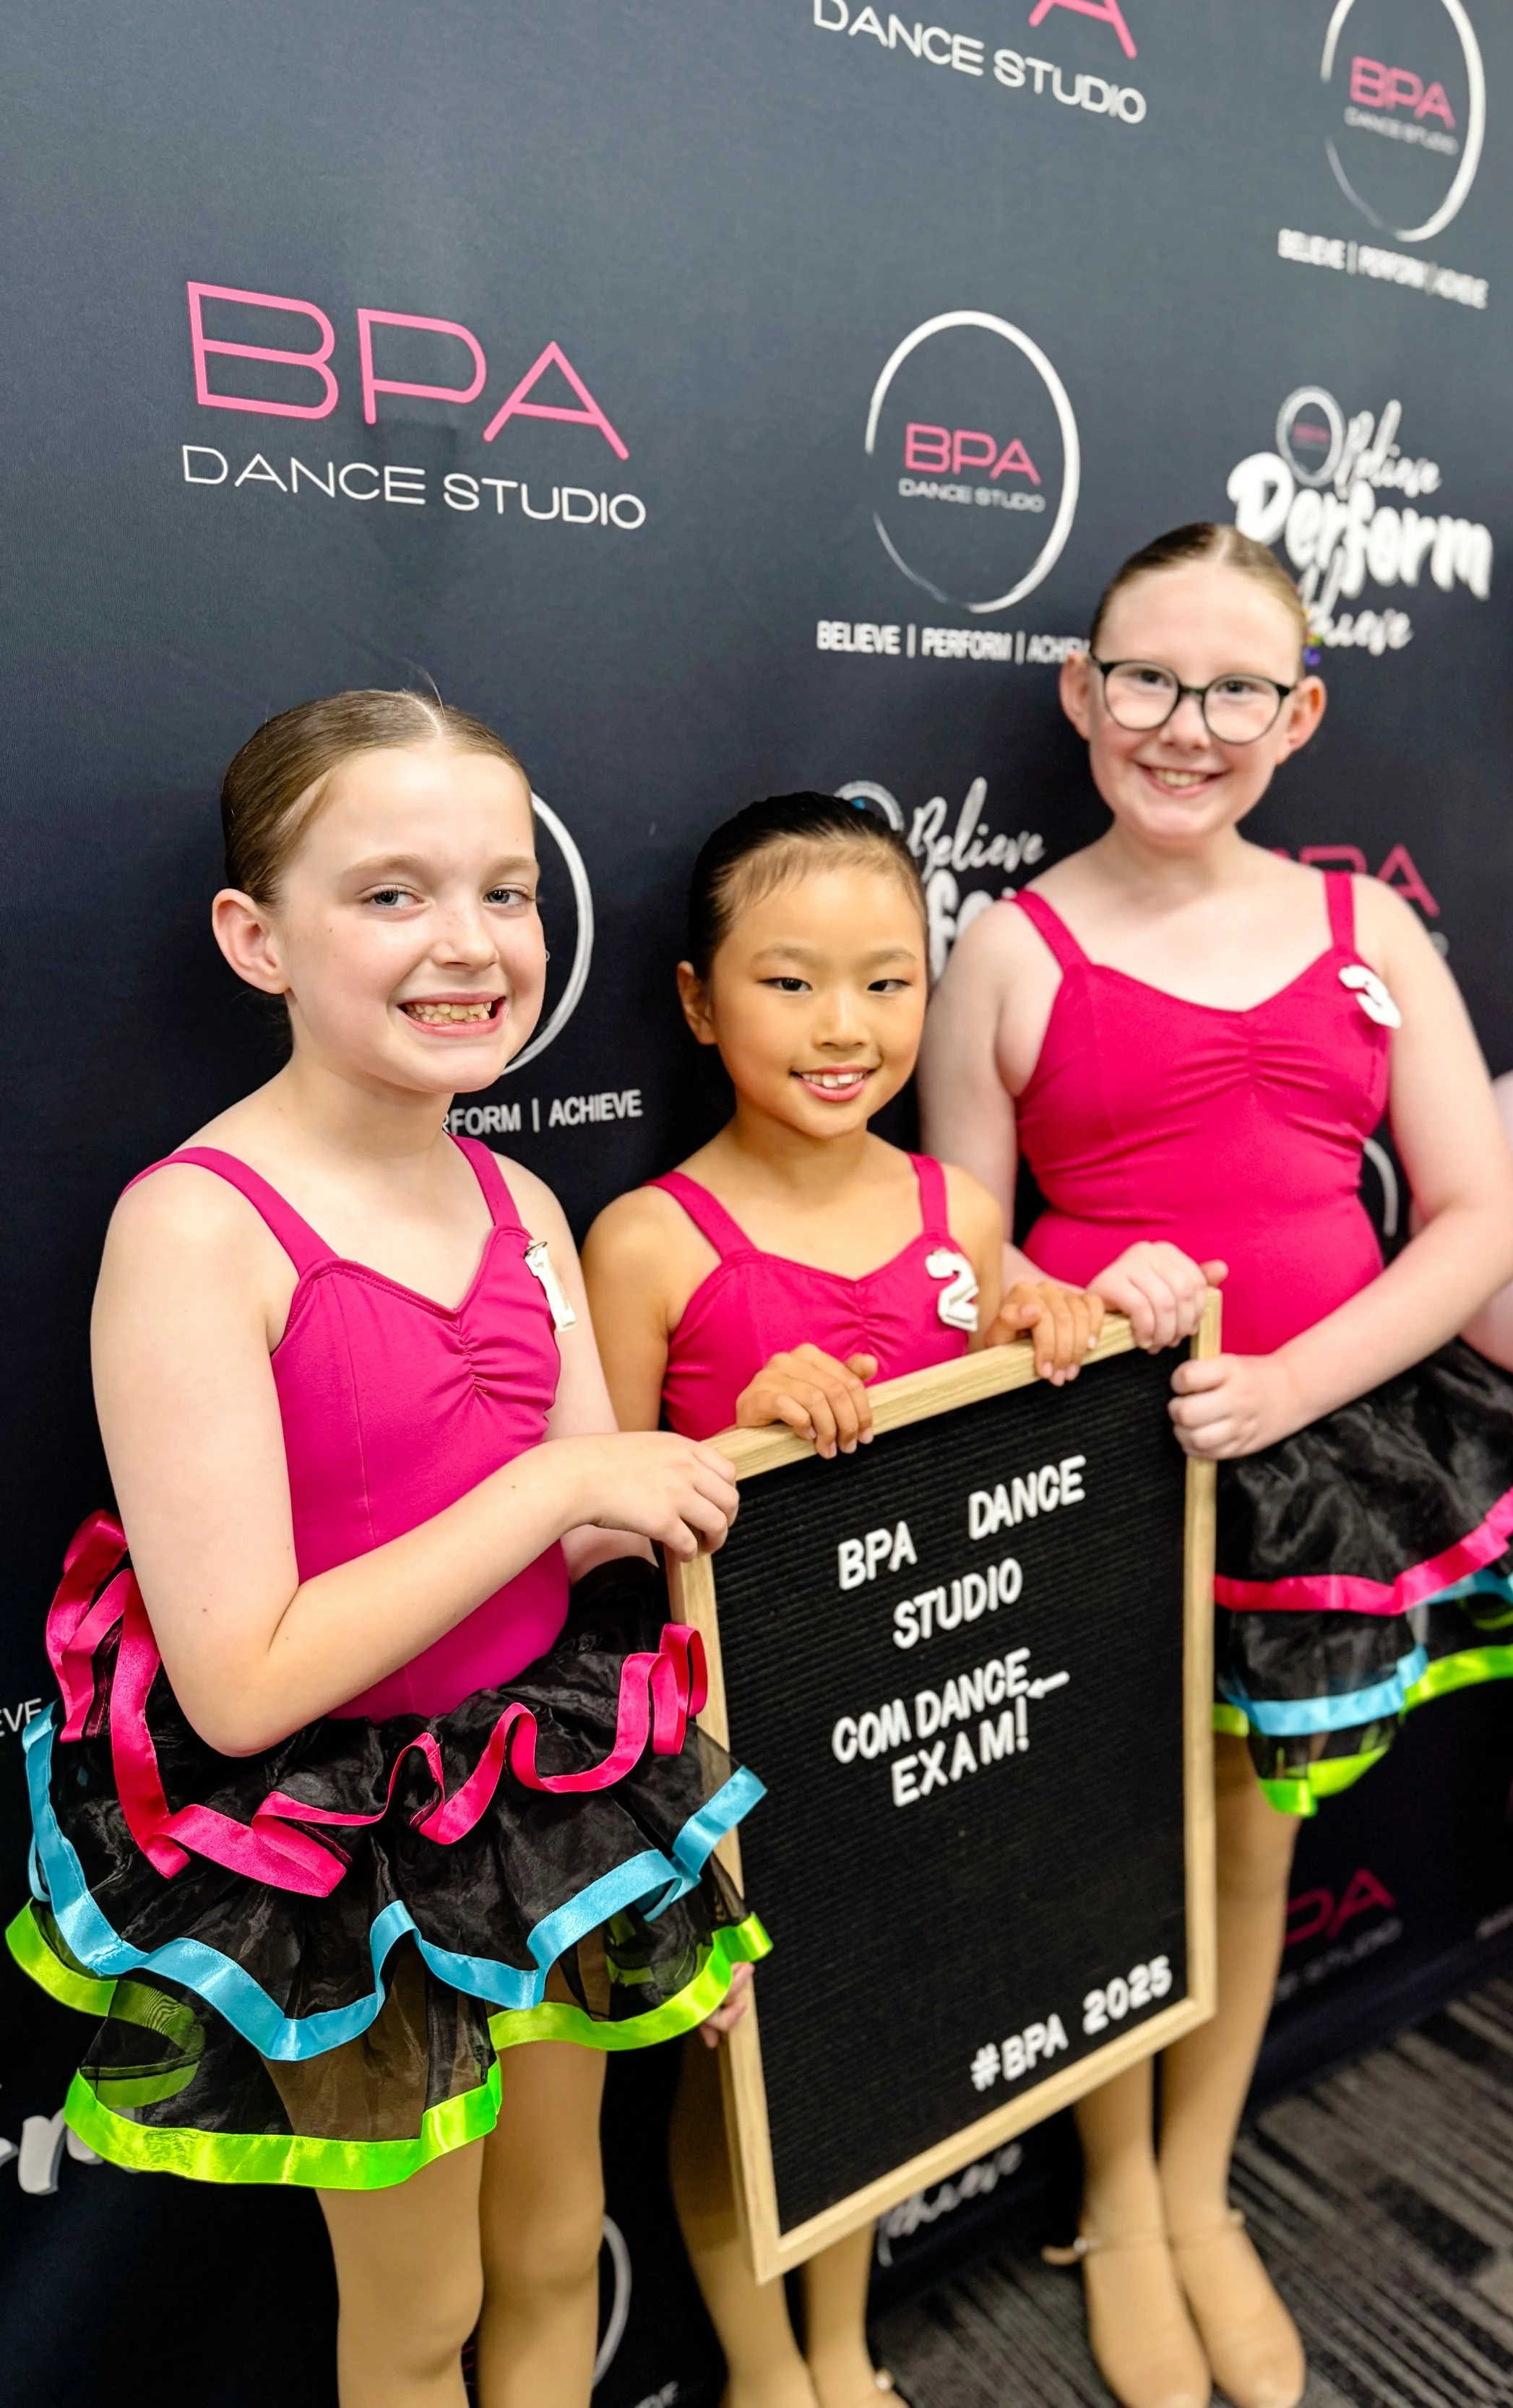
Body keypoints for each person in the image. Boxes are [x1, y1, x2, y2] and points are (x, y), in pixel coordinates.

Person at [918, 525, 1513, 2408]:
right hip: (1094, 1465)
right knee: (1102, 1850)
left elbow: (1473, 1219)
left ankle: (1192, 2187)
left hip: (1317, 1461)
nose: (1184, 721)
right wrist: (1063, 1288)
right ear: (1079, 690)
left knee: (1250, 1836)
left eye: (1235, 687)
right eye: (1145, 676)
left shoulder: (1361, 929)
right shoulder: (1006, 945)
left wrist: (1291, 1379)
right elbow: (952, 1247)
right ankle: (1110, 2195)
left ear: (1298, 714)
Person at [8, 691, 765, 2408]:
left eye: (506, 889)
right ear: (255, 936)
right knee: (415, 2312)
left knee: (557, 2242)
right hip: (333, 1855)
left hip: (548, 1795)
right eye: (391, 893)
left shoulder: (523, 1205)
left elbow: (587, 1547)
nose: (470, 944)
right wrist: (547, 1492)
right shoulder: (193, 1229)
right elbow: (242, 1671)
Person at [582, 792, 1101, 2408]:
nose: (842, 1026)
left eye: (886, 980)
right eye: (788, 980)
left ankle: (844, 2349)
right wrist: (732, 1430)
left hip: (918, 1729)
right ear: (694, 999)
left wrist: (1042, 1331)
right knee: (738, 2063)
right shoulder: (648, 1240)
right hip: (732, 1758)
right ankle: (760, 2370)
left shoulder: (961, 1210)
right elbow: (583, 1540)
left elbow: (995, 1481)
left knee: (875, 2029)